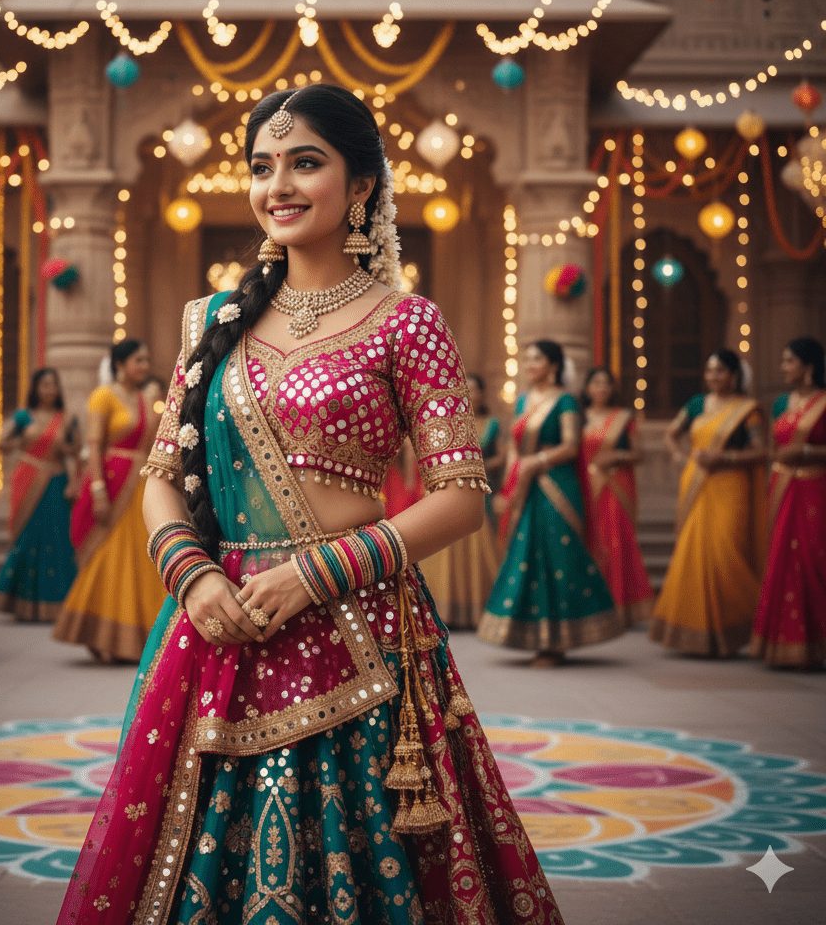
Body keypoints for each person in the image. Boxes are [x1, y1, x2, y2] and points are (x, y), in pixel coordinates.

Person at [54, 85, 563, 925]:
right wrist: (193, 578)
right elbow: (161, 480)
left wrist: (317, 572)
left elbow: (460, 498)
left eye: (305, 163)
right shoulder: (210, 322)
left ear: (361, 185)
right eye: (261, 167)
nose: (277, 185)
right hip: (222, 625)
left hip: (359, 627)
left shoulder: (407, 322)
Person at [477, 340, 622, 665]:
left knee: (556, 555)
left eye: (537, 359)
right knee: (527, 553)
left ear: (554, 365)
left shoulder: (567, 402)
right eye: (526, 359)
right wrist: (509, 487)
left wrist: (537, 461)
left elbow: (571, 446)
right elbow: (515, 449)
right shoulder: (524, 401)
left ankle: (555, 642)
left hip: (557, 486)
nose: (529, 365)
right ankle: (532, 634)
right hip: (527, 485)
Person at [52, 340, 165, 662]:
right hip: (112, 485)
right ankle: (97, 635)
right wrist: (98, 490)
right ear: (120, 363)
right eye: (138, 360)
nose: (144, 366)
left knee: (140, 558)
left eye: (146, 360)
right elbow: (94, 446)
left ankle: (135, 638)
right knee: (107, 556)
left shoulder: (147, 397)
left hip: (140, 485)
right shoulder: (103, 396)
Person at [650, 348, 767, 657]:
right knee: (693, 552)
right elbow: (671, 433)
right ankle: (697, 633)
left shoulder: (747, 410)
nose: (713, 377)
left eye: (720, 371)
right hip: (697, 482)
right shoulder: (697, 404)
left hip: (731, 486)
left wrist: (724, 457)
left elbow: (760, 451)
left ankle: (737, 629)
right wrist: (680, 457)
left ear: (734, 375)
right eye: (709, 371)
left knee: (727, 555)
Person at [751, 337, 826, 668]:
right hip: (782, 488)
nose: (783, 367)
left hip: (815, 489)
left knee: (814, 560)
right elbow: (772, 448)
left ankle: (816, 643)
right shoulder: (781, 404)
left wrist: (807, 452)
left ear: (808, 367)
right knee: (781, 560)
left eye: (789, 361)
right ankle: (783, 644)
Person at [0, 368, 79, 622]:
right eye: (44, 385)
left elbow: (76, 451)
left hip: (56, 481)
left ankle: (57, 604)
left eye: (53, 385)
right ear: (35, 389)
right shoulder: (23, 417)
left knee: (57, 538)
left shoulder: (67, 419)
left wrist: (74, 481)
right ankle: (21, 603)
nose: (49, 390)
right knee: (27, 538)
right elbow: (1, 444)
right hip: (27, 480)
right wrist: (19, 443)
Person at [419, 372, 504, 628]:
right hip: (448, 490)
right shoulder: (447, 421)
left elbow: (502, 456)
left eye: (474, 389)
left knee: (478, 548)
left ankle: (476, 612)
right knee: (445, 551)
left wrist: (476, 465)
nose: (469, 394)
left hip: (478, 488)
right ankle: (445, 613)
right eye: (464, 389)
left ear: (482, 394)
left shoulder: (492, 424)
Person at [579, 367, 654, 626]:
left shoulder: (623, 418)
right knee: (588, 543)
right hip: (585, 487)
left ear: (612, 389)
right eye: (595, 383)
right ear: (587, 388)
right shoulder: (578, 417)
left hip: (614, 485)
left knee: (615, 542)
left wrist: (616, 456)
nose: (601, 388)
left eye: (605, 384)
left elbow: (638, 454)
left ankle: (620, 607)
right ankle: (591, 606)